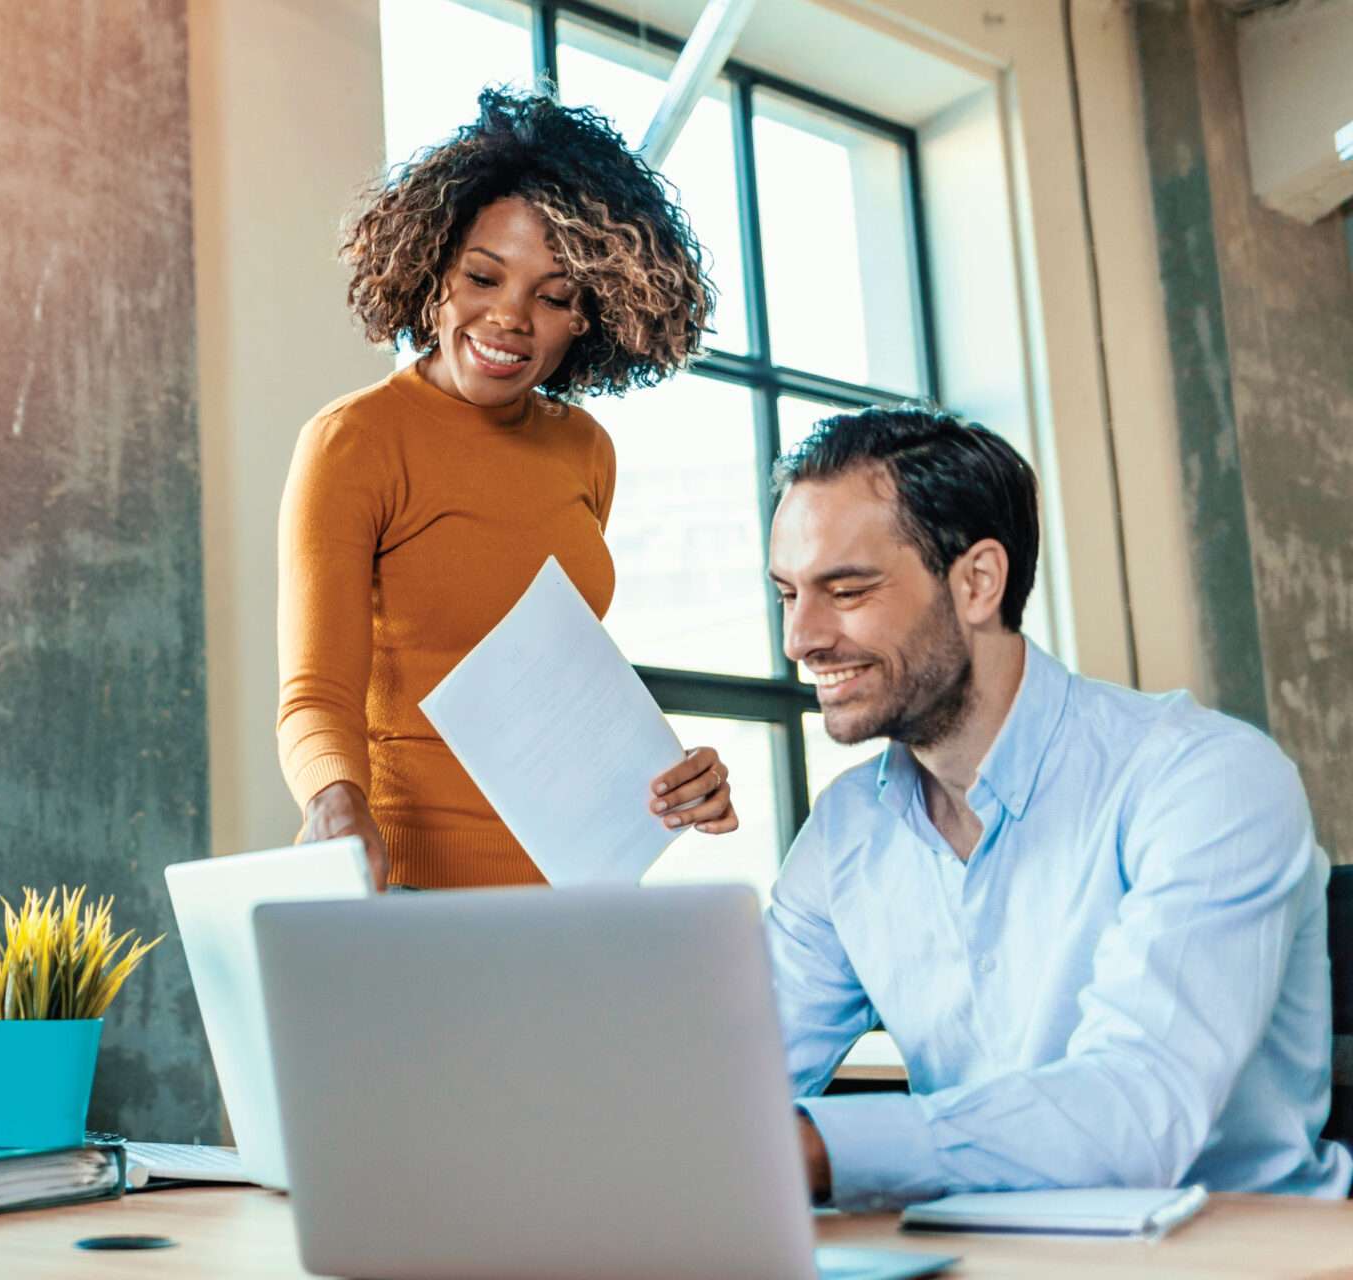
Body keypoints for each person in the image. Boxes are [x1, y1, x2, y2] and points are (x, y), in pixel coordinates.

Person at [763, 405, 1352, 1208]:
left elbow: (1136, 1117)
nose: (801, 637)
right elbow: (734, 1077)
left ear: (977, 582)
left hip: (1235, 1257)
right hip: (990, 1254)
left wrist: (813, 1149)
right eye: (787, 595)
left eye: (847, 589)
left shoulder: (1205, 780)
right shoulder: (844, 833)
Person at [276, 89, 733, 891]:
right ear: (432, 269)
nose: (509, 319)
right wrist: (335, 803)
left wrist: (673, 777)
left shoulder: (585, 451)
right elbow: (315, 695)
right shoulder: (356, 441)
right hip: (406, 886)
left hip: (571, 891)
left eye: (553, 297)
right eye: (483, 277)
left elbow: (556, 687)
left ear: (590, 316)